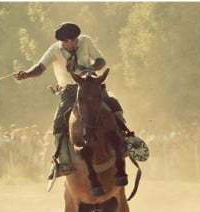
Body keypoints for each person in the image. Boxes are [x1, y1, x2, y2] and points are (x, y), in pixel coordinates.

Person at [14, 22, 142, 181]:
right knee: (58, 123)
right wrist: (26, 74)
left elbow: (101, 61)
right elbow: (40, 68)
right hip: (69, 91)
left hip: (91, 85)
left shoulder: (86, 41)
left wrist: (91, 68)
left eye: (74, 40)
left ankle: (126, 141)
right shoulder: (54, 50)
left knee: (114, 104)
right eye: (68, 41)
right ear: (62, 41)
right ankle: (63, 161)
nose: (72, 43)